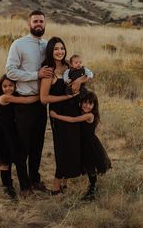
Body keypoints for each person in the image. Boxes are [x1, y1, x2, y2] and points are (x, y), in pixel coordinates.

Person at [5, 10, 53, 194]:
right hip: (24, 102)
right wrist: (36, 75)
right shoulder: (19, 44)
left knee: (37, 145)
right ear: (29, 23)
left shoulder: (47, 45)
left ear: (45, 24)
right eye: (35, 21)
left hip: (41, 103)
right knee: (22, 146)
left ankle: (35, 180)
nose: (39, 24)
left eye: (41, 21)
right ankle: (24, 186)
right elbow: (10, 71)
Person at [40, 37, 84, 195]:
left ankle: (65, 182)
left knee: (73, 145)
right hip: (57, 113)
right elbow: (44, 99)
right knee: (62, 147)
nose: (60, 52)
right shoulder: (48, 71)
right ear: (50, 51)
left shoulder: (69, 66)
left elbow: (86, 74)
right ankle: (56, 186)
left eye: (62, 48)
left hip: (74, 110)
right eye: (56, 49)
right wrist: (66, 97)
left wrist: (81, 80)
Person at [0, 74, 39, 200]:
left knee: (19, 159)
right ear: (0, 87)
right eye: (5, 86)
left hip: (12, 131)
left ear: (15, 86)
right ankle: (8, 188)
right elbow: (25, 101)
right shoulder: (4, 98)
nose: (8, 88)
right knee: (4, 160)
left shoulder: (14, 95)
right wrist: (40, 96)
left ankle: (25, 187)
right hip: (1, 132)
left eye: (10, 86)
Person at [50, 91, 111, 201]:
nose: (87, 106)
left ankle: (92, 189)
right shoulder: (81, 112)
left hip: (89, 144)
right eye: (85, 102)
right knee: (87, 166)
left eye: (90, 104)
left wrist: (56, 116)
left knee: (90, 167)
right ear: (81, 102)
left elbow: (73, 120)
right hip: (81, 143)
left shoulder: (89, 115)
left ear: (94, 106)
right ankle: (86, 187)